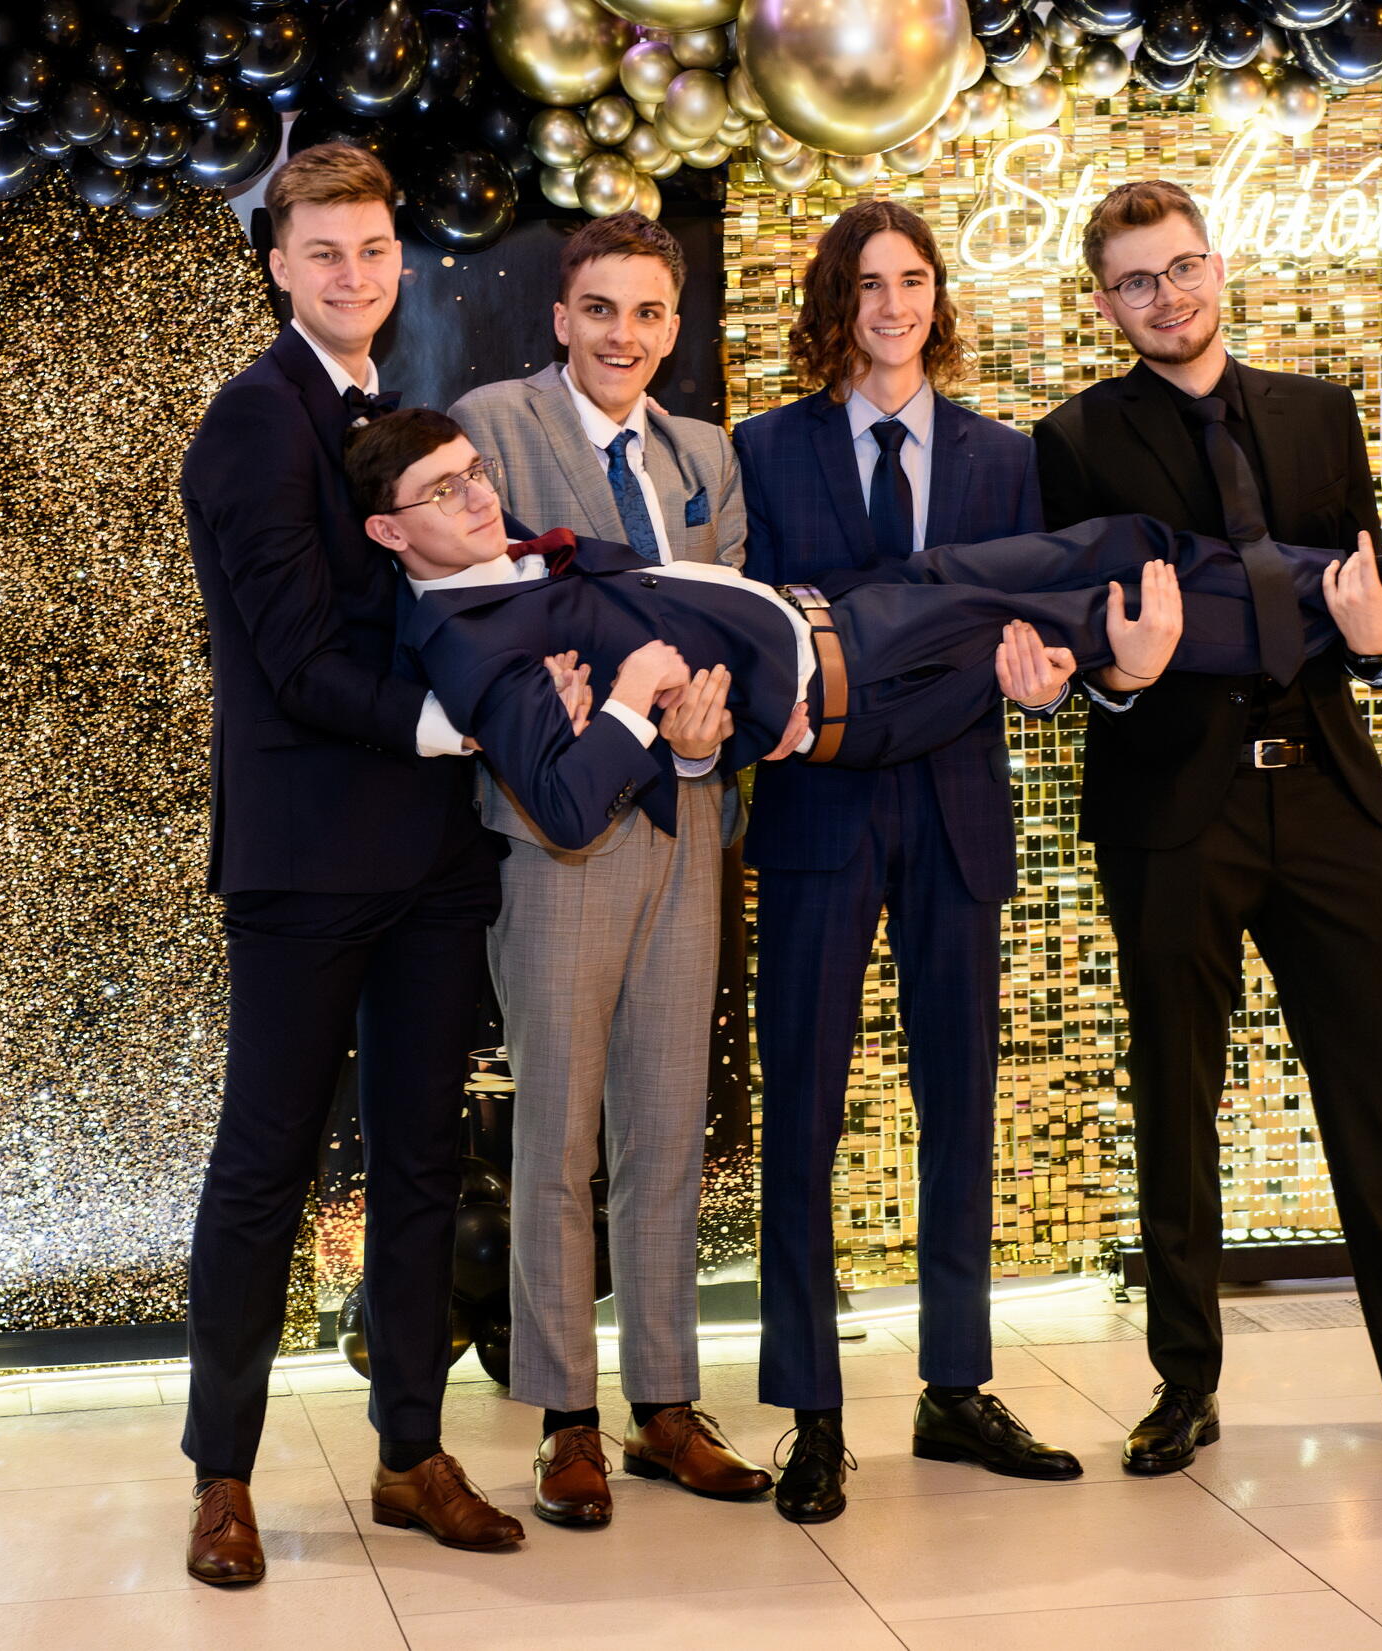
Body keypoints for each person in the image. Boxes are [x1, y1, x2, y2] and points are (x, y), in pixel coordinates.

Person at [1032, 179, 1382, 1476]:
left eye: (1180, 267)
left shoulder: (1321, 414)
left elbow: (1358, 611)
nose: (1165, 297)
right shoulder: (1070, 442)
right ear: (1103, 304)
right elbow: (1080, 644)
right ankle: (1183, 1385)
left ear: (1216, 266)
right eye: (1134, 281)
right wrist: (1120, 673)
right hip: (1171, 807)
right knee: (1175, 1093)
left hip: (1326, 791)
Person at [350, 408, 1382, 888]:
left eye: (474, 472)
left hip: (846, 609)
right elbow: (563, 807)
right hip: (853, 679)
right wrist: (631, 703)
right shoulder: (467, 646)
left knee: (1119, 540)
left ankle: (1362, 591)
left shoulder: (496, 565)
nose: (477, 496)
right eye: (442, 492)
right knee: (1088, 610)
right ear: (389, 532)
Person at [175, 142, 523, 1587]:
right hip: (308, 857)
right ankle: (222, 1476)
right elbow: (294, 655)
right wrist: (452, 722)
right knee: (266, 1165)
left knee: (424, 1157)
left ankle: (408, 1454)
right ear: (277, 264)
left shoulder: (392, 412)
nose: (352, 273)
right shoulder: (250, 424)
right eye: (323, 251)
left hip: (433, 854)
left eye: (373, 249)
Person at [728, 199, 1097, 1523]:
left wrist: (1048, 679)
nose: (893, 305)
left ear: (939, 297)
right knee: (802, 1114)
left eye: (914, 280)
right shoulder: (763, 447)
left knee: (960, 1106)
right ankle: (812, 1411)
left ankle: (955, 1385)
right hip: (819, 811)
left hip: (954, 808)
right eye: (868, 283)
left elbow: (1035, 631)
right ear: (836, 303)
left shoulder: (1006, 457)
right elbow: (754, 623)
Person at [446, 213, 771, 1525]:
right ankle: (564, 1417)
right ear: (559, 317)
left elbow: (732, 616)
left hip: (684, 816)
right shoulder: (494, 425)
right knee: (557, 1135)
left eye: (644, 312)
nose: (620, 334)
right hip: (557, 827)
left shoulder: (706, 454)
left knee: (666, 1125)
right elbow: (474, 600)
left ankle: (666, 1404)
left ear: (672, 328)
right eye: (597, 308)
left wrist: (709, 724)